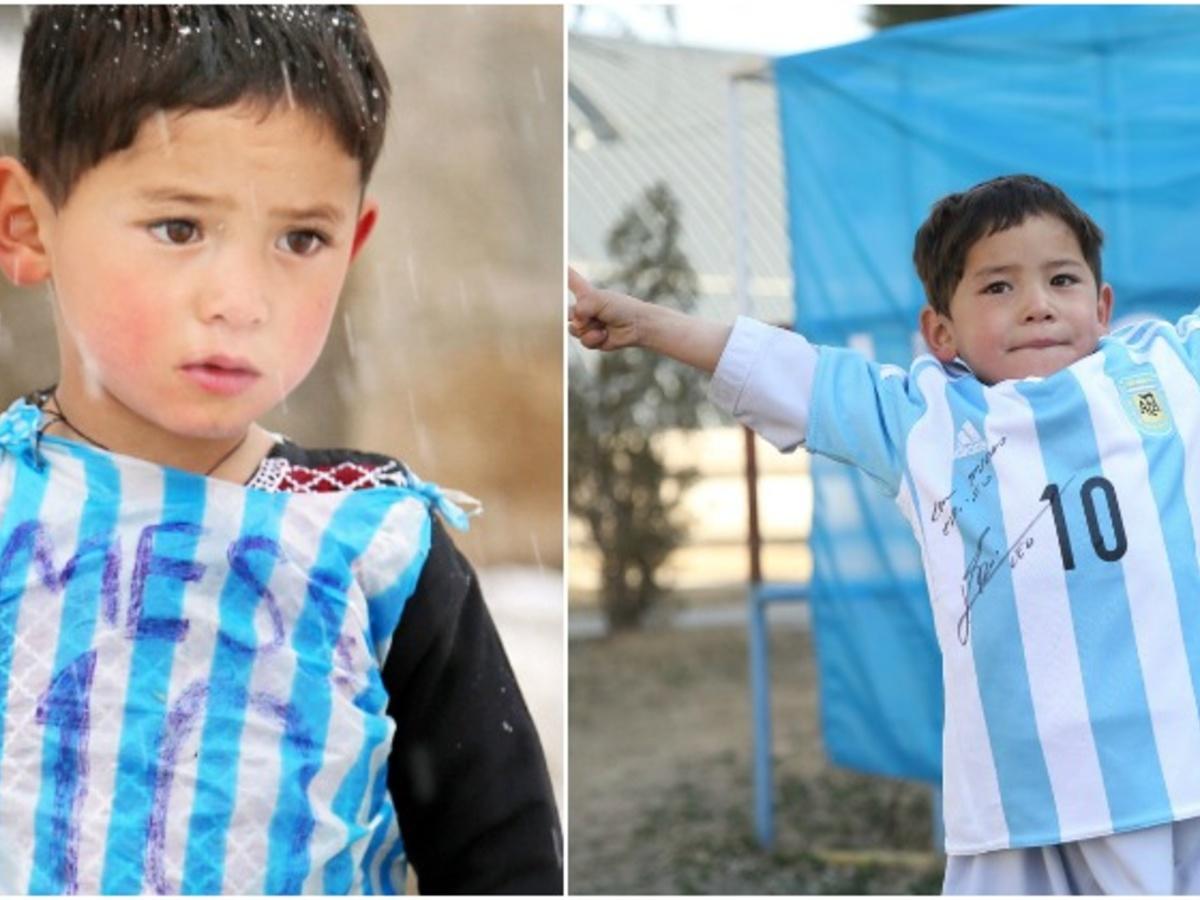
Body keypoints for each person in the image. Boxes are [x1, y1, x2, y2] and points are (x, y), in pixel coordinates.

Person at [0, 6, 560, 895]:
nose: (241, 299)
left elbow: (504, 858)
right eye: (180, 227)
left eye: (302, 239)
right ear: (28, 227)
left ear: (354, 245)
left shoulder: (374, 547)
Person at [570, 173, 1200, 894]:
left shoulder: (1169, 370)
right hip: (1021, 804)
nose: (1037, 305)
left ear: (1102, 304)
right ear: (942, 332)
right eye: (998, 287)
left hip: (1182, 778)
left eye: (1062, 279)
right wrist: (649, 325)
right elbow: (794, 373)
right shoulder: (923, 420)